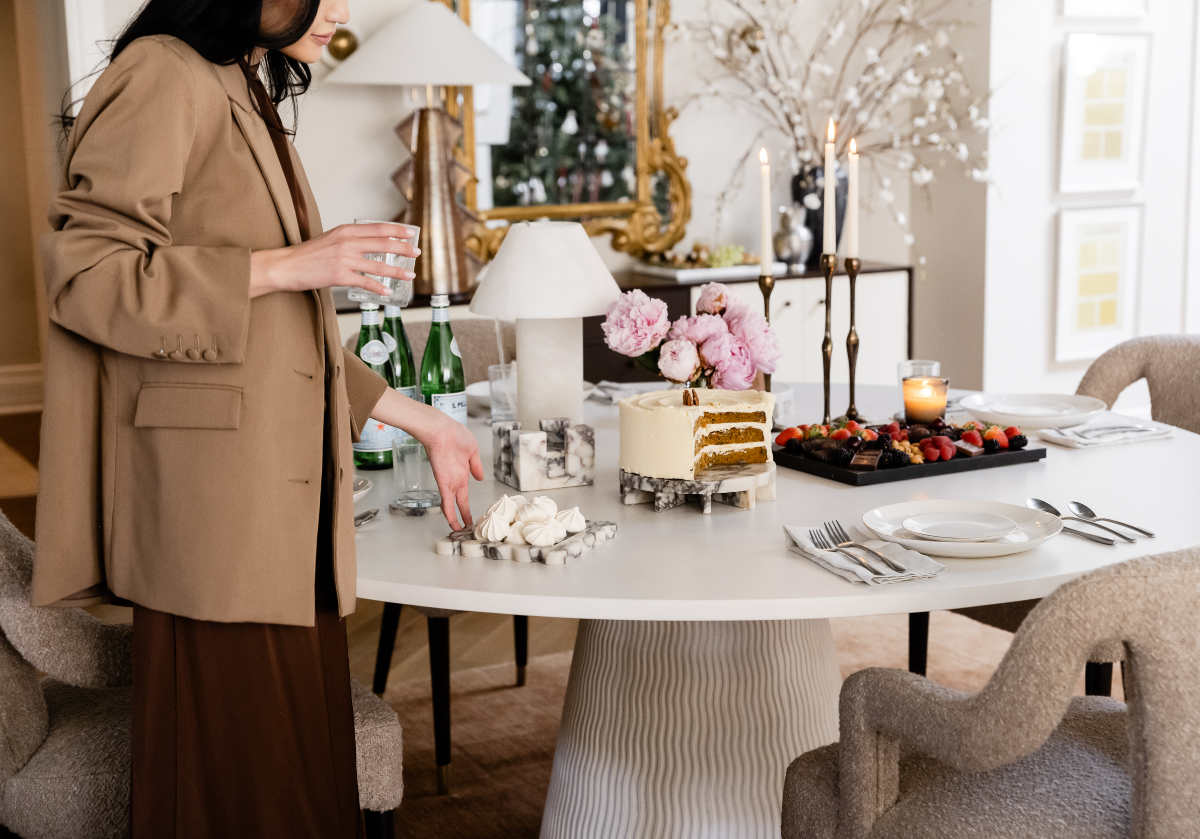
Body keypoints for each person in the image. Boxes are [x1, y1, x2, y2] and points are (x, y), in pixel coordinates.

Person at [33, 1, 483, 835]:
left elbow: (286, 338)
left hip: (278, 519)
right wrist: (290, 264)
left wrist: (423, 420)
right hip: (214, 523)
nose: (341, 9)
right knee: (247, 790)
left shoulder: (238, 80)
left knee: (296, 780)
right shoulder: (163, 72)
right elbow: (87, 276)